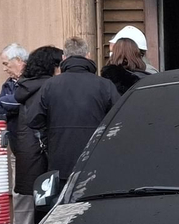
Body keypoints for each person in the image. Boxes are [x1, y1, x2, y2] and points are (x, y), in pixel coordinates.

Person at [32, 36, 120, 188]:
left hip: (60, 160)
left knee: (63, 208)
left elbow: (33, 119)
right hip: (95, 161)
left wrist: (49, 140)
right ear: (88, 56)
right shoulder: (105, 85)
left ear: (64, 57)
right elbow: (120, 119)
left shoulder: (50, 85)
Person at [12, 46, 63, 224]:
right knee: (48, 203)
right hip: (46, 151)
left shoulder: (25, 87)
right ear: (53, 66)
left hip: (27, 149)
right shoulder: (50, 87)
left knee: (37, 200)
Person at [0, 42, 29, 119]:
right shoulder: (9, 83)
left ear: (18, 60)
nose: (4, 69)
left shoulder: (31, 81)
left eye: (6, 64)